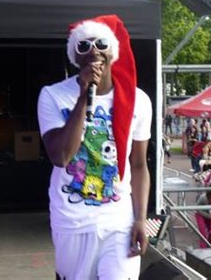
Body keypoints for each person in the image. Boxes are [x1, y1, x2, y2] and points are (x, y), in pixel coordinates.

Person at [37, 14, 151, 280]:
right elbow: (61, 155)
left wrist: (140, 219)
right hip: (72, 219)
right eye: (83, 46)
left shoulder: (139, 101)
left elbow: (138, 164)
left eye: (101, 43)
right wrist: (83, 97)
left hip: (118, 219)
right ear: (75, 57)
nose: (93, 51)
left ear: (113, 51)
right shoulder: (52, 95)